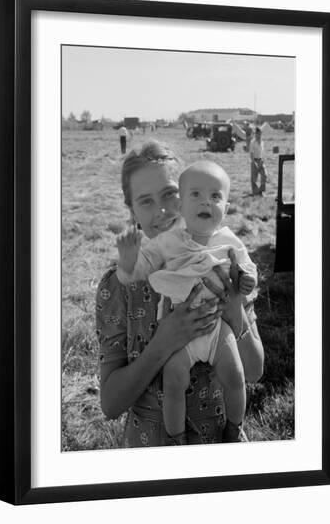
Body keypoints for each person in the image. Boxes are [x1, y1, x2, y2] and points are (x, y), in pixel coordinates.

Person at [97, 140, 264, 447]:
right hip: (153, 450)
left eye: (170, 194)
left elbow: (253, 372)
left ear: (188, 194)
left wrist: (236, 307)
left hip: (219, 445)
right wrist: (163, 344)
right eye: (145, 201)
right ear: (131, 210)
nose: (162, 211)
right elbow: (111, 404)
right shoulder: (117, 286)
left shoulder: (221, 261)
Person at [249, 127, 268, 196]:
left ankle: (261, 191)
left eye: (260, 134)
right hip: (254, 160)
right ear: (255, 134)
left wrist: (262, 160)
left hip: (261, 160)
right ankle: (256, 192)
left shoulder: (262, 142)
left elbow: (262, 152)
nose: (259, 135)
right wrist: (254, 162)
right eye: (257, 134)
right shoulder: (252, 142)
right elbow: (251, 153)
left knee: (265, 175)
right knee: (254, 179)